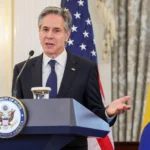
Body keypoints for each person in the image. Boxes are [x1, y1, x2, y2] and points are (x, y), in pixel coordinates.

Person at [12, 6, 131, 150]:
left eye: (56, 30)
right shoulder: (22, 70)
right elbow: (18, 115)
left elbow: (95, 114)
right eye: (45, 29)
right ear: (39, 32)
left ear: (67, 35)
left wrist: (108, 112)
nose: (49, 35)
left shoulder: (86, 69)